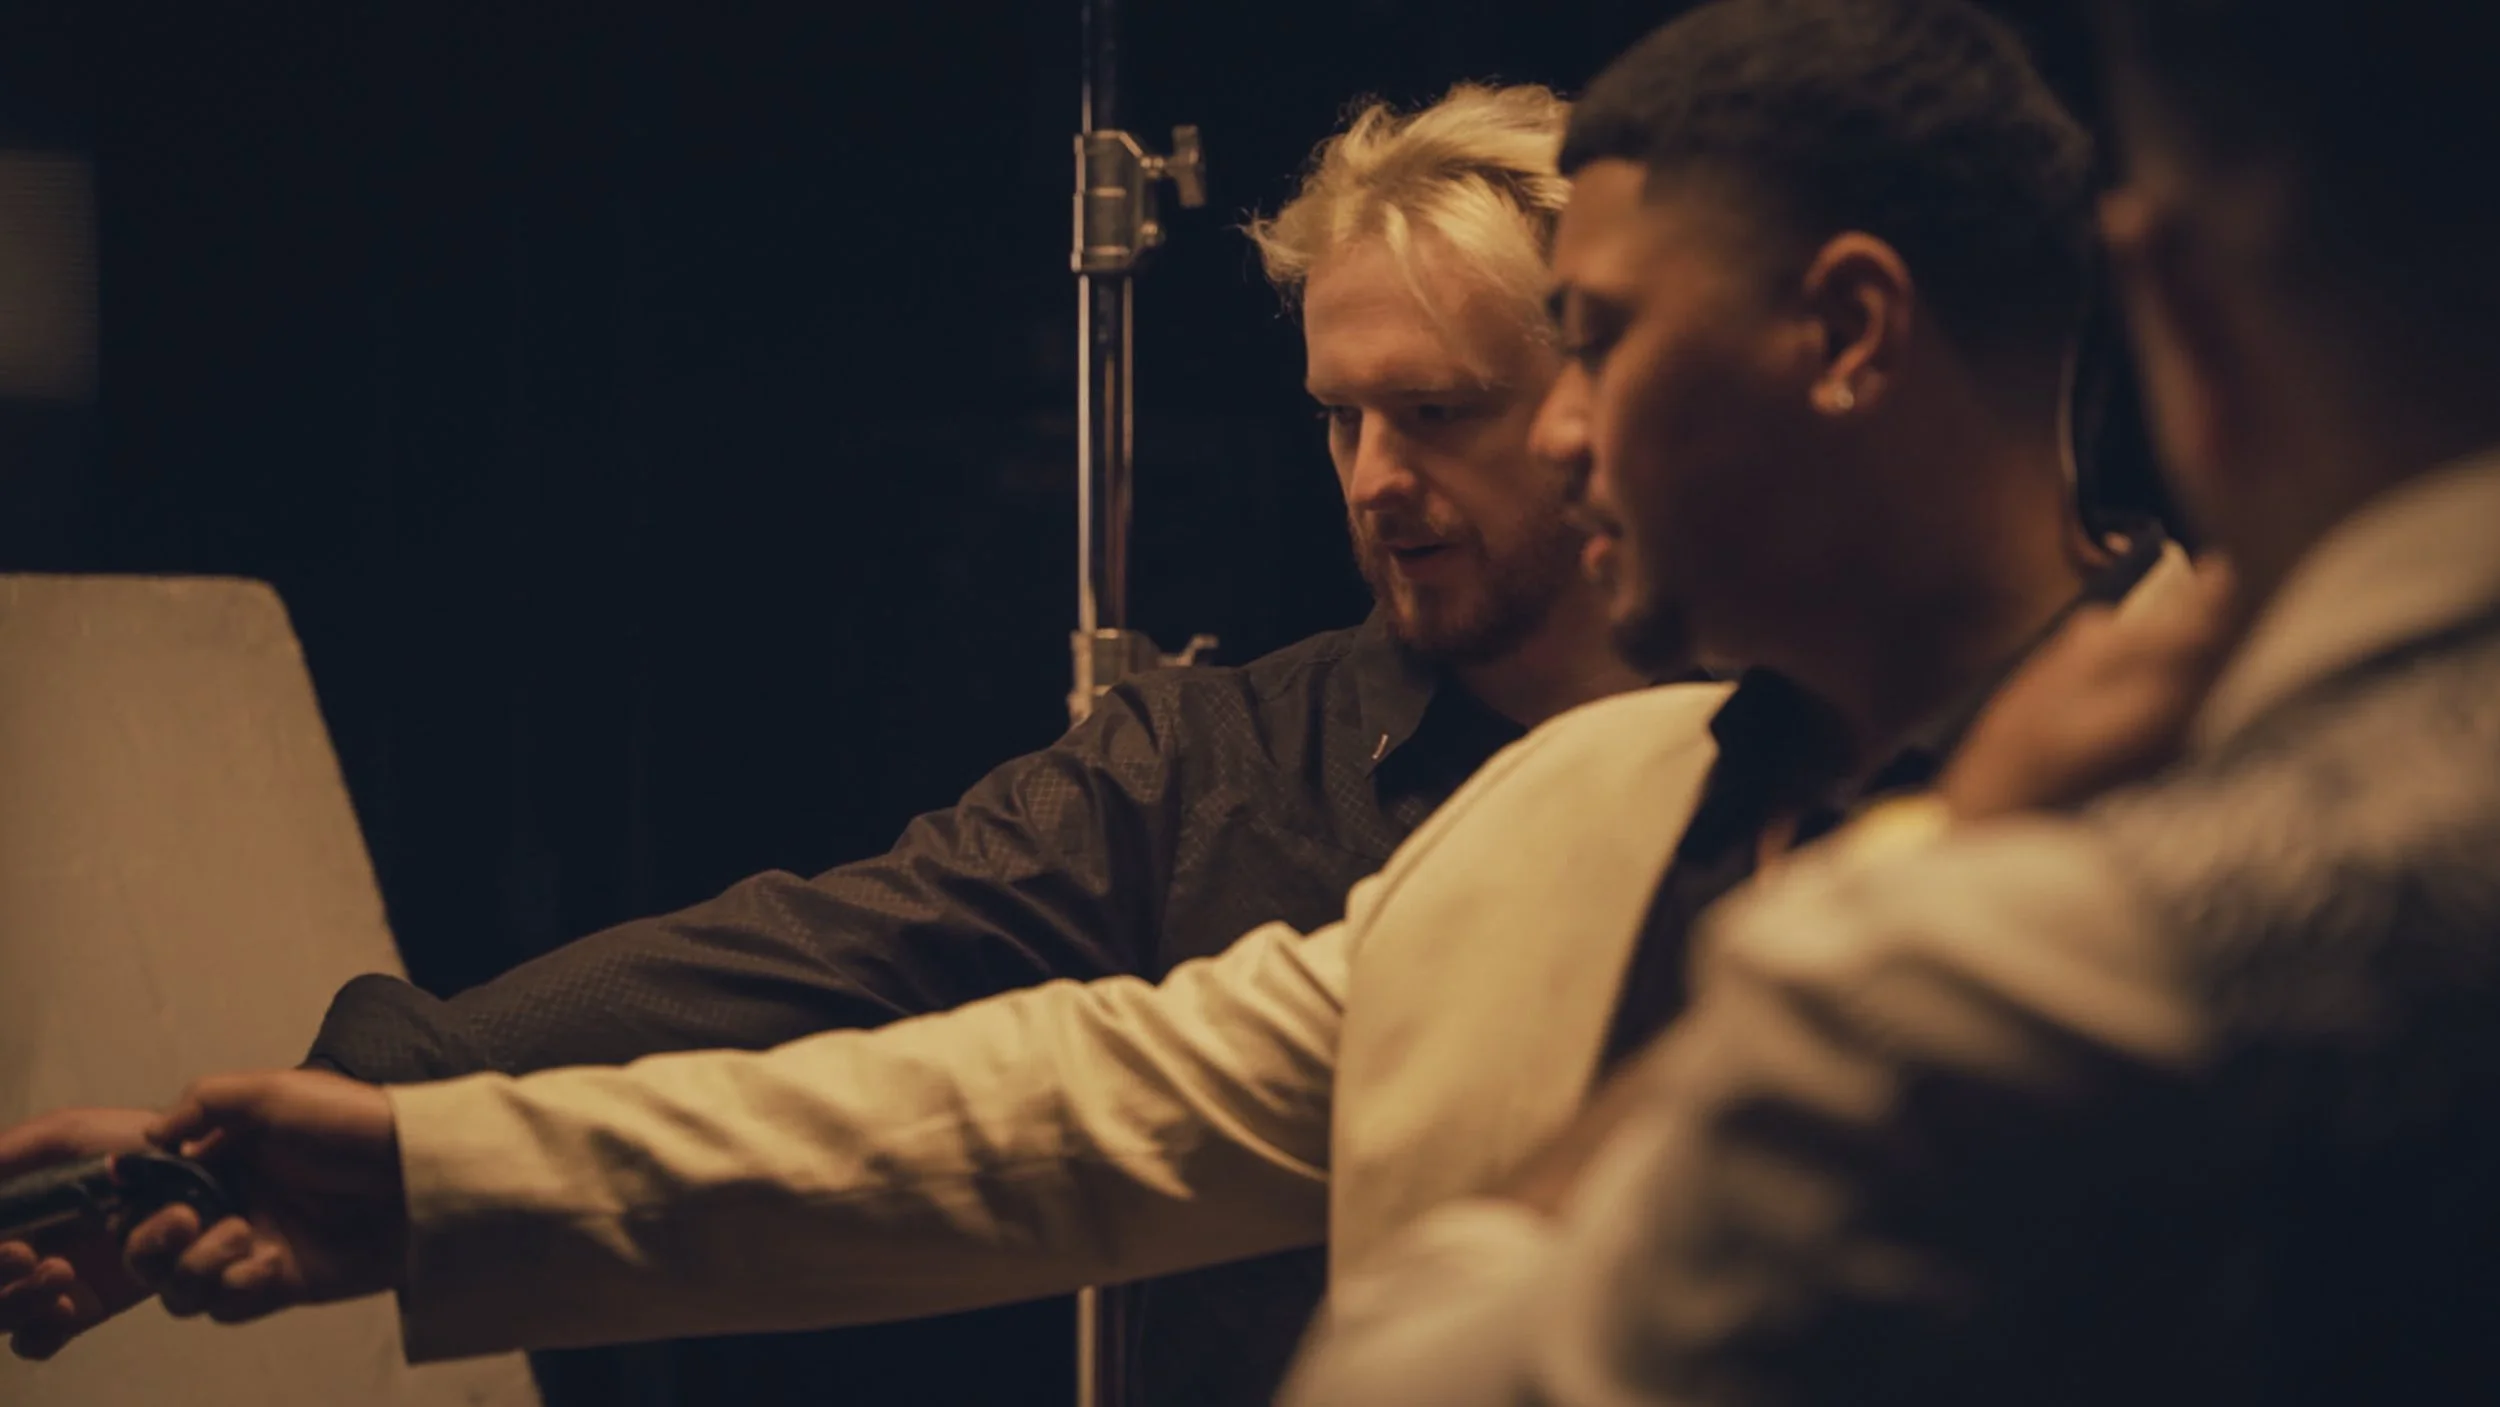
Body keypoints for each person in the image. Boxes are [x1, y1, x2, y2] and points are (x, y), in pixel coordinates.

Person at [50, 0, 2193, 1372]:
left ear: (1845, 335)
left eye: (1595, 352)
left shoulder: (2284, 796)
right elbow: (1014, 1103)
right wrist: (413, 1161)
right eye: (1339, 420)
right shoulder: (1567, 814)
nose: (1542, 444)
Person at [0, 83, 1646, 1407]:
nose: (1367, 479)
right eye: (1338, 418)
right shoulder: (1204, 767)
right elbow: (839, 964)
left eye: (1434, 412)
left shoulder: (1801, 763)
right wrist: (352, 1105)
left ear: (1597, 402)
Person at [1280, 1, 2500, 1403]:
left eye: (1600, 339)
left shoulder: (1988, 974)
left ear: (2182, 310)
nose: (1568, 429)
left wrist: (1942, 844)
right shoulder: (1561, 804)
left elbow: (1395, 1376)